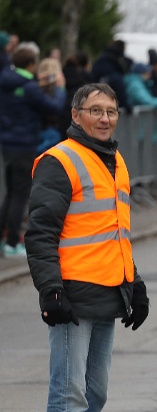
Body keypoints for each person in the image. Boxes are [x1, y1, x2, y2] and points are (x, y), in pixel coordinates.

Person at [25, 82, 150, 412]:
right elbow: (40, 232)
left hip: (108, 291)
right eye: (95, 110)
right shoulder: (60, 161)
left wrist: (135, 284)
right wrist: (50, 289)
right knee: (69, 391)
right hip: (72, 295)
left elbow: (115, 232)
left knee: (95, 392)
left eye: (111, 111)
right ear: (76, 115)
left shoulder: (115, 162)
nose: (104, 118)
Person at [0, 43, 66, 256]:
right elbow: (54, 107)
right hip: (25, 144)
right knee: (20, 195)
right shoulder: (30, 88)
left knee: (11, 193)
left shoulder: (6, 81)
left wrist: (39, 83)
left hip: (8, 143)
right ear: (30, 64)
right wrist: (60, 89)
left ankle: (3, 239)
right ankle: (12, 243)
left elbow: (24, 90)